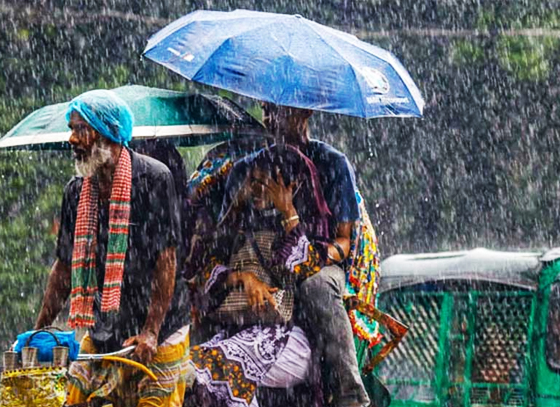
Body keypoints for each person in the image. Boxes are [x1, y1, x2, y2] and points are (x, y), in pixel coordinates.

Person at [34, 89, 190, 407]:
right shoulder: (76, 192)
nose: (71, 140)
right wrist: (39, 332)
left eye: (80, 129)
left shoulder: (154, 179)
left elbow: (167, 259)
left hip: (161, 326)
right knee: (73, 399)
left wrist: (150, 331)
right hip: (106, 327)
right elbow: (64, 268)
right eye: (71, 129)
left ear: (107, 135)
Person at [185, 145, 332, 407]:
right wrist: (243, 278)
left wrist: (288, 213)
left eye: (265, 183)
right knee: (191, 369)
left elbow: (307, 273)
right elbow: (206, 270)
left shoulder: (304, 226)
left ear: (291, 185)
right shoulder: (241, 222)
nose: (256, 190)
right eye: (252, 181)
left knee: (222, 364)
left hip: (287, 337)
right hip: (237, 330)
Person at [260, 102, 370, 407]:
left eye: (280, 111)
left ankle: (350, 391)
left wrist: (306, 255)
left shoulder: (333, 163)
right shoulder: (260, 161)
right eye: (266, 110)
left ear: (305, 113)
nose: (271, 119)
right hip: (271, 257)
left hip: (323, 261)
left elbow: (344, 241)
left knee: (316, 285)